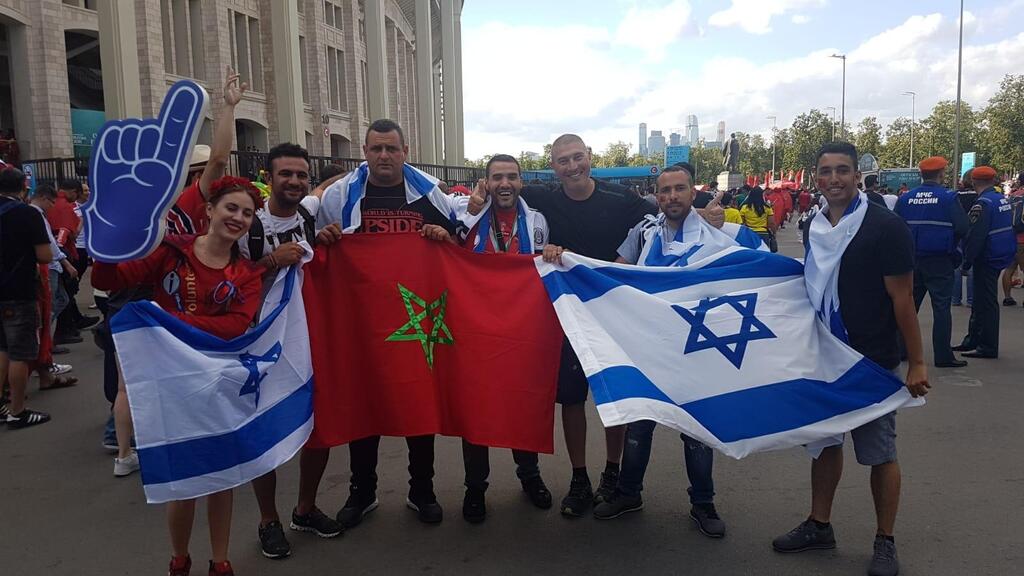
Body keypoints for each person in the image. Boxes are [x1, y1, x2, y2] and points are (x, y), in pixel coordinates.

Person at [93, 176, 265, 576]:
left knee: (222, 478)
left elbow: (235, 326)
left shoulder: (246, 273)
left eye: (247, 213)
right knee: (183, 481)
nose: (238, 218)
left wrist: (168, 320)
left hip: (218, 383)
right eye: (231, 208)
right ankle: (180, 558)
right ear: (209, 210)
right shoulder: (171, 252)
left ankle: (220, 560)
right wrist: (106, 245)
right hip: (171, 383)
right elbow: (109, 280)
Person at [776, 142, 929, 576]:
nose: (834, 179)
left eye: (843, 170)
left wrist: (917, 361)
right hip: (824, 356)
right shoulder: (814, 224)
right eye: (826, 171)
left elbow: (903, 299)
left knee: (879, 453)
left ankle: (885, 540)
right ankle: (819, 524)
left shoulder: (886, 227)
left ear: (857, 175)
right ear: (816, 177)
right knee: (825, 444)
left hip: (870, 361)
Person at [591, 163, 764, 535]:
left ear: (692, 192)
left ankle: (703, 503)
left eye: (679, 189)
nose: (672, 196)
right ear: (657, 195)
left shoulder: (719, 234)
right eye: (665, 190)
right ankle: (628, 492)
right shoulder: (644, 233)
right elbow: (614, 273)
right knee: (640, 423)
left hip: (696, 350)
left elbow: (764, 261)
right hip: (650, 348)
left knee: (696, 430)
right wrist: (569, 265)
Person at [316, 119, 466, 527]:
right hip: (362, 322)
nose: (384, 156)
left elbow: (458, 246)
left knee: (419, 404)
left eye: (391, 149)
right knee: (364, 405)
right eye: (376, 149)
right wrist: (326, 238)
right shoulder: (341, 195)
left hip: (416, 322)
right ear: (365, 152)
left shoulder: (430, 194)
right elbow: (317, 244)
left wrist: (443, 237)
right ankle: (361, 492)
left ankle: (422, 490)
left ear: (404, 152)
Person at [107, 65, 245, 478]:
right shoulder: (186, 203)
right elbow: (219, 158)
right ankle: (172, 445)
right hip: (161, 293)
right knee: (173, 376)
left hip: (141, 292)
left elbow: (218, 158)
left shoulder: (151, 202)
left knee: (132, 380)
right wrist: (227, 109)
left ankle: (128, 449)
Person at [423, 154, 553, 524]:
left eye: (511, 177)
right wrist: (443, 236)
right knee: (475, 407)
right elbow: (449, 247)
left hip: (521, 329)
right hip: (475, 329)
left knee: (521, 404)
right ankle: (475, 488)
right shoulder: (468, 216)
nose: (505, 184)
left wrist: (552, 253)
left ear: (521, 182)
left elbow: (542, 267)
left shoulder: (537, 221)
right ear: (487, 182)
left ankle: (530, 476)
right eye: (498, 177)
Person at [237, 143, 344, 559]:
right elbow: (224, 282)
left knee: (318, 424)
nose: (294, 181)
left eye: (301, 174)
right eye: (285, 174)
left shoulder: (309, 215)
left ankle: (305, 508)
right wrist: (270, 263)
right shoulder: (248, 225)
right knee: (264, 430)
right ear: (269, 177)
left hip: (309, 339)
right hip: (259, 342)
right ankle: (268, 519)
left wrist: (328, 239)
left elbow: (332, 186)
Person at [894, 156, 969, 368]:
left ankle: (901, 350)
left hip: (911, 261)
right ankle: (943, 356)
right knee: (942, 308)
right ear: (942, 174)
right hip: (940, 260)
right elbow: (963, 227)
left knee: (908, 306)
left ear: (921, 174)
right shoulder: (948, 197)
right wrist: (951, 244)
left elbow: (894, 227)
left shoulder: (906, 198)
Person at [0, 167, 55, 429]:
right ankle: (17, 410)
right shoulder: (27, 214)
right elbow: (45, 255)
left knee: (1, 348)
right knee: (19, 353)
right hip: (18, 292)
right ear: (24, 186)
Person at [952, 166, 1017, 359]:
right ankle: (973, 339)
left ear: (974, 181)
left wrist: (966, 261)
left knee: (986, 302)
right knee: (981, 301)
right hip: (999, 253)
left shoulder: (983, 203)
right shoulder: (1000, 199)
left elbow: (976, 236)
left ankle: (987, 346)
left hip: (986, 257)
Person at [953, 169, 978, 306]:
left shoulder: (955, 195)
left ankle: (955, 298)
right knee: (972, 265)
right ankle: (971, 299)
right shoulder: (979, 196)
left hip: (957, 232)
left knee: (956, 266)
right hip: (973, 232)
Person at [999, 179, 1024, 306]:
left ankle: (1007, 297)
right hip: (1023, 239)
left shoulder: (1013, 196)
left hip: (1012, 237)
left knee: (1009, 269)